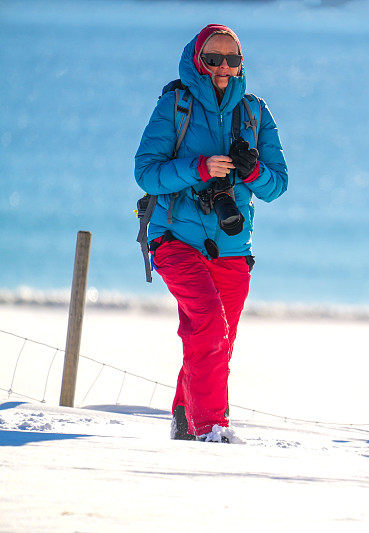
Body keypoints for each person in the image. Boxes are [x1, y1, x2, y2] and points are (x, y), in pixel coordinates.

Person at [134, 24, 288, 442]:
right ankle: (211, 430)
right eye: (213, 58)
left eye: (231, 60)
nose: (222, 67)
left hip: (233, 245)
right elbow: (145, 172)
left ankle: (185, 419)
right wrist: (199, 169)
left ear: (241, 65)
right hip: (174, 239)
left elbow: (277, 186)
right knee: (209, 326)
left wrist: (249, 169)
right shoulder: (175, 105)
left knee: (218, 339)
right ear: (195, 60)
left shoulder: (257, 114)